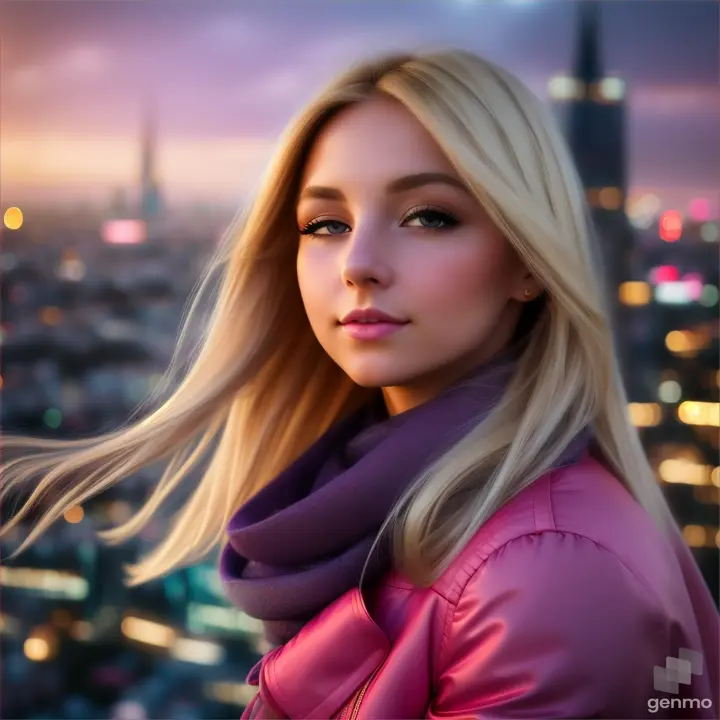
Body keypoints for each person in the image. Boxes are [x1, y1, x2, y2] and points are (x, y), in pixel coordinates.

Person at [1, 49, 718, 719]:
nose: (359, 262)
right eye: (326, 223)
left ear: (529, 261)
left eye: (428, 216)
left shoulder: (548, 578)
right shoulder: (390, 516)